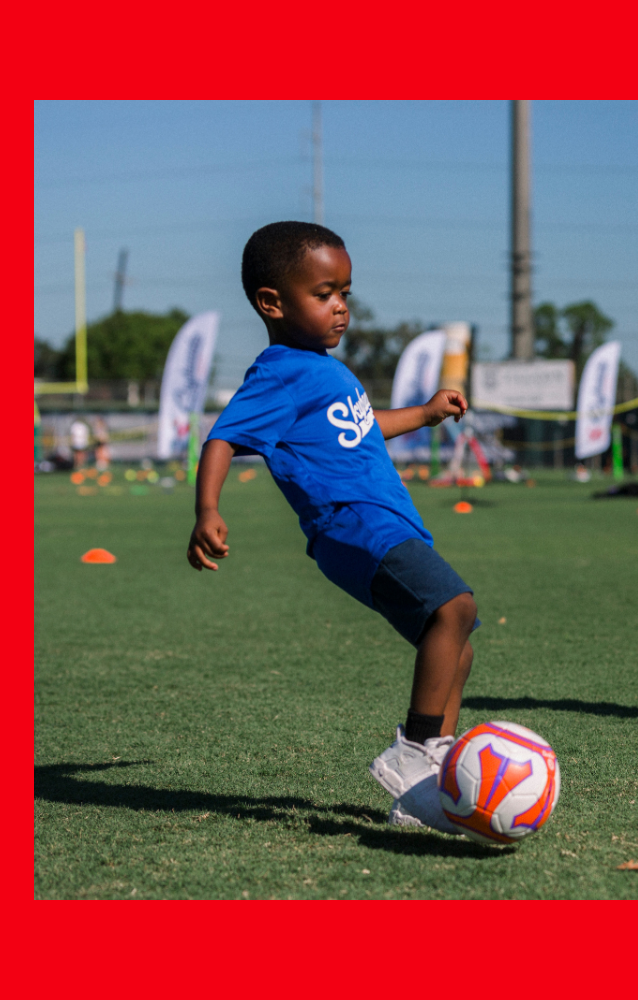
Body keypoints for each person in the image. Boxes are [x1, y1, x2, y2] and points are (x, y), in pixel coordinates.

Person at [186, 222, 478, 834]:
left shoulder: (326, 371)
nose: (341, 306)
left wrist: (424, 414)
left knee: (458, 638)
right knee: (454, 606)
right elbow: (222, 439)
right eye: (324, 293)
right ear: (273, 303)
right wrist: (207, 511)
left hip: (390, 523)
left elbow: (362, 429)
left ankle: (428, 783)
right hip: (353, 527)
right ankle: (416, 752)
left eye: (345, 291)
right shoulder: (280, 371)